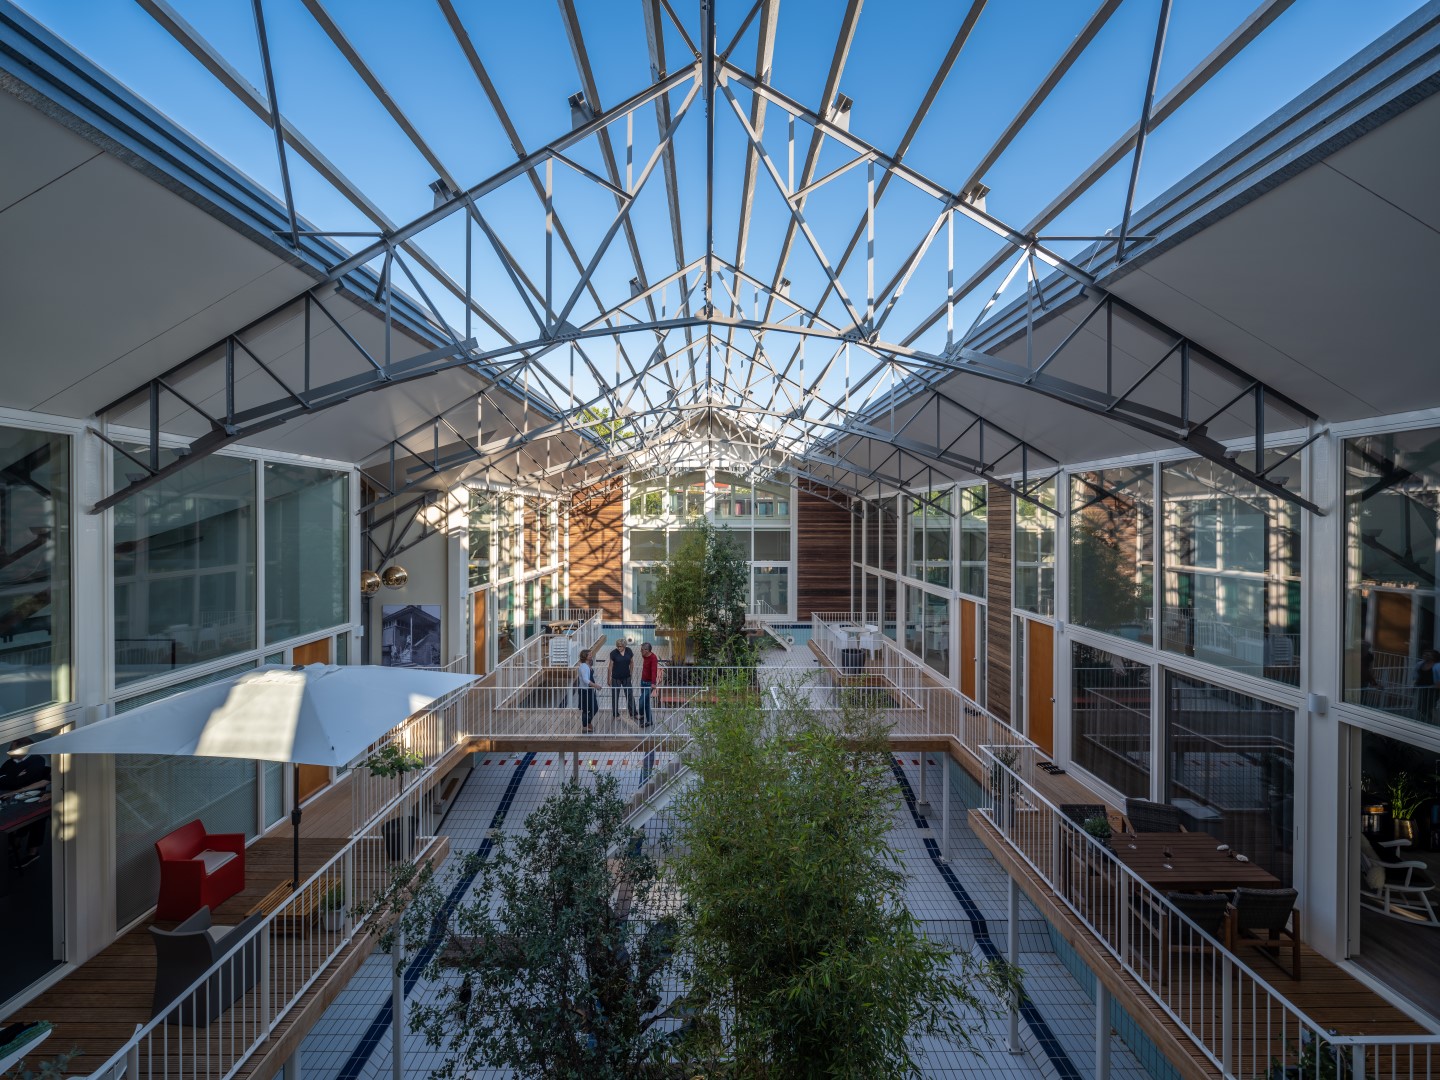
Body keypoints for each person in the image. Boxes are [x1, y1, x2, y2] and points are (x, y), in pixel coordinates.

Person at [0, 737, 51, 867]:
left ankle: (32, 853)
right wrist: (15, 779)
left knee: (37, 819)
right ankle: (14, 845)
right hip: (13, 796)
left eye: (12, 749)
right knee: (9, 817)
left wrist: (12, 780)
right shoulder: (9, 763)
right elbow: (3, 780)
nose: (9, 751)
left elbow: (23, 780)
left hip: (34, 798)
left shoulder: (37, 760)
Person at [609, 638, 637, 720]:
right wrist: (609, 678)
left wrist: (631, 674)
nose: (619, 648)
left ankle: (633, 713)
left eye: (620, 646)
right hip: (616, 678)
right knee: (615, 696)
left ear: (624, 646)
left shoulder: (629, 651)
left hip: (626, 677)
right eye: (617, 646)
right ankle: (615, 714)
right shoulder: (613, 653)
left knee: (630, 695)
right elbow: (610, 666)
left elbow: (631, 662)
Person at [575, 649, 600, 732]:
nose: (591, 655)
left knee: (594, 708)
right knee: (586, 709)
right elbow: (585, 679)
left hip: (589, 690)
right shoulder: (584, 667)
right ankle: (585, 726)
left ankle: (587, 723)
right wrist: (595, 685)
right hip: (585, 690)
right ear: (585, 656)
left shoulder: (587, 665)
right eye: (589, 655)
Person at [638, 641, 660, 728]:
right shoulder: (644, 656)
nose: (640, 651)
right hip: (642, 681)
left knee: (641, 701)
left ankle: (642, 716)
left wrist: (653, 683)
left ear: (647, 650)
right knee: (646, 702)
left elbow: (654, 671)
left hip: (649, 684)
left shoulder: (653, 658)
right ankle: (649, 721)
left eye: (642, 649)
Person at [1414, 648, 1439, 724]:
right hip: (1422, 688)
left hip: (1433, 689)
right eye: (1424, 654)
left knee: (1429, 707)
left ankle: (1432, 723)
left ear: (1434, 657)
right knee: (1420, 706)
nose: (1425, 656)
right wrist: (1415, 683)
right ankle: (1424, 721)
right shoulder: (1420, 664)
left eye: (1428, 654)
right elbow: (1417, 675)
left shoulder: (1437, 666)